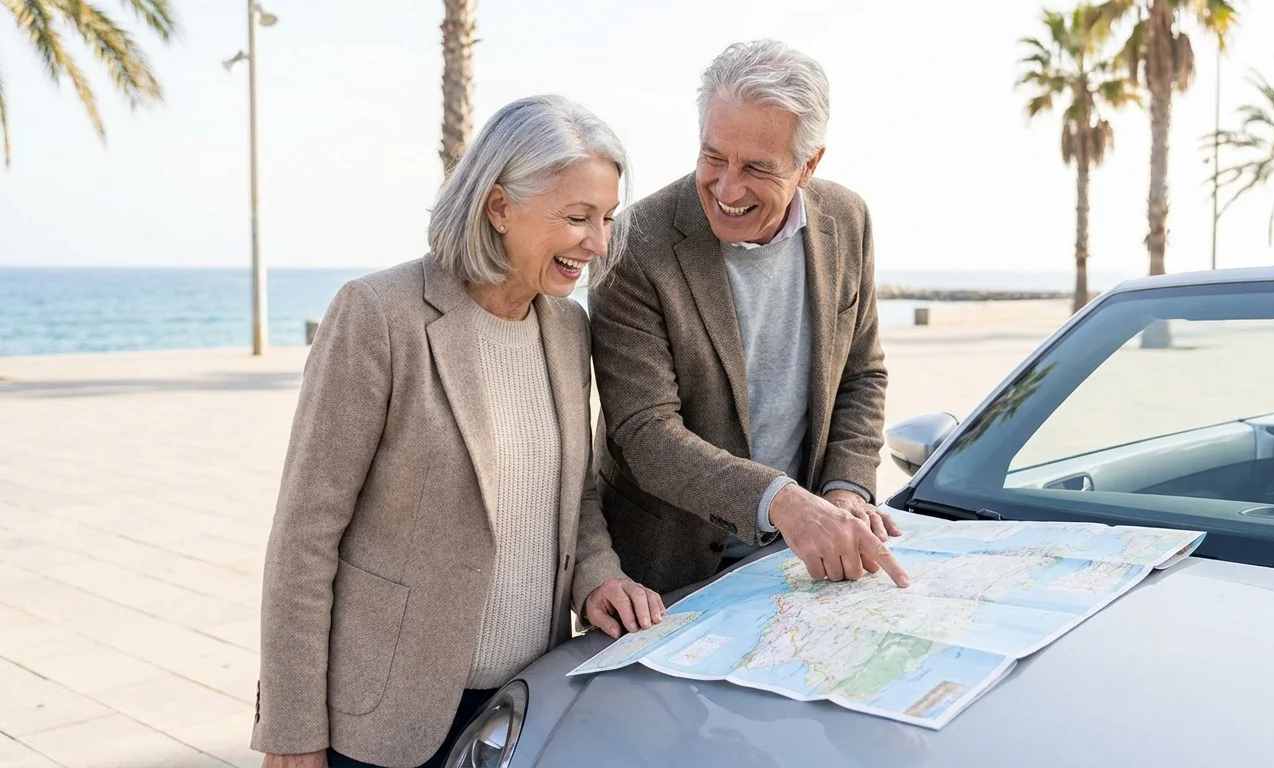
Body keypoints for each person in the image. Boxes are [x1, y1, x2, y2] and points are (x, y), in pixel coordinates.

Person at [251, 95, 665, 768]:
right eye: (577, 217)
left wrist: (599, 577)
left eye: (606, 218)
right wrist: (292, 733)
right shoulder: (377, 316)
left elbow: (574, 492)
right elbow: (304, 536)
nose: (598, 243)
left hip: (523, 707)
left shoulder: (568, 329)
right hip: (384, 721)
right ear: (499, 206)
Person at [589, 40, 910, 596]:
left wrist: (845, 490)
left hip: (804, 562)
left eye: (757, 167)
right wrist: (783, 502)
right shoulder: (634, 245)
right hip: (667, 574)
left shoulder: (848, 220)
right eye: (713, 157)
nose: (727, 188)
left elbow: (861, 374)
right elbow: (645, 434)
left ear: (809, 165)